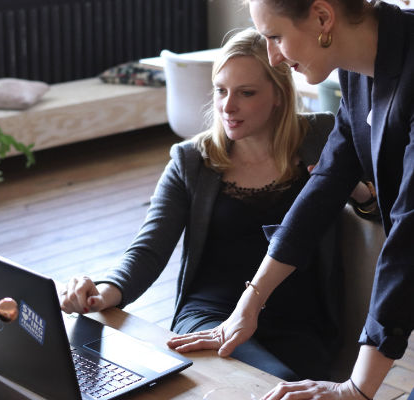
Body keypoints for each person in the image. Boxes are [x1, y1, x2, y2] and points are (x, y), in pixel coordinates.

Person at [59, 28, 348, 381]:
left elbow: (380, 211)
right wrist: (104, 292)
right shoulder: (192, 160)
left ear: (278, 94)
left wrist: (360, 193)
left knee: (280, 381)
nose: (228, 106)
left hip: (299, 319)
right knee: (268, 381)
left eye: (246, 93)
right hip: (210, 315)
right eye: (221, 90)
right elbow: (149, 248)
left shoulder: (321, 138)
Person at [167, 1, 414, 399]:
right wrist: (250, 302)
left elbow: (408, 236)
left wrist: (357, 389)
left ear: (322, 17)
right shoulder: (358, 73)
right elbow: (326, 184)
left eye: (276, 37)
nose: (273, 56)